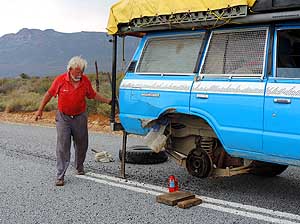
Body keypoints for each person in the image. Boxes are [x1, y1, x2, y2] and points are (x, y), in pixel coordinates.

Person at [35, 56, 111, 187]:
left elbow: (92, 95)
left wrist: (108, 101)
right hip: (63, 117)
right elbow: (48, 94)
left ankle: (79, 166)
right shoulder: (60, 80)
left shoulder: (85, 81)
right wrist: (40, 110)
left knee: (82, 144)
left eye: (81, 72)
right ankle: (60, 175)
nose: (79, 75)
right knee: (63, 146)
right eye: (77, 72)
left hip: (80, 116)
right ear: (70, 69)